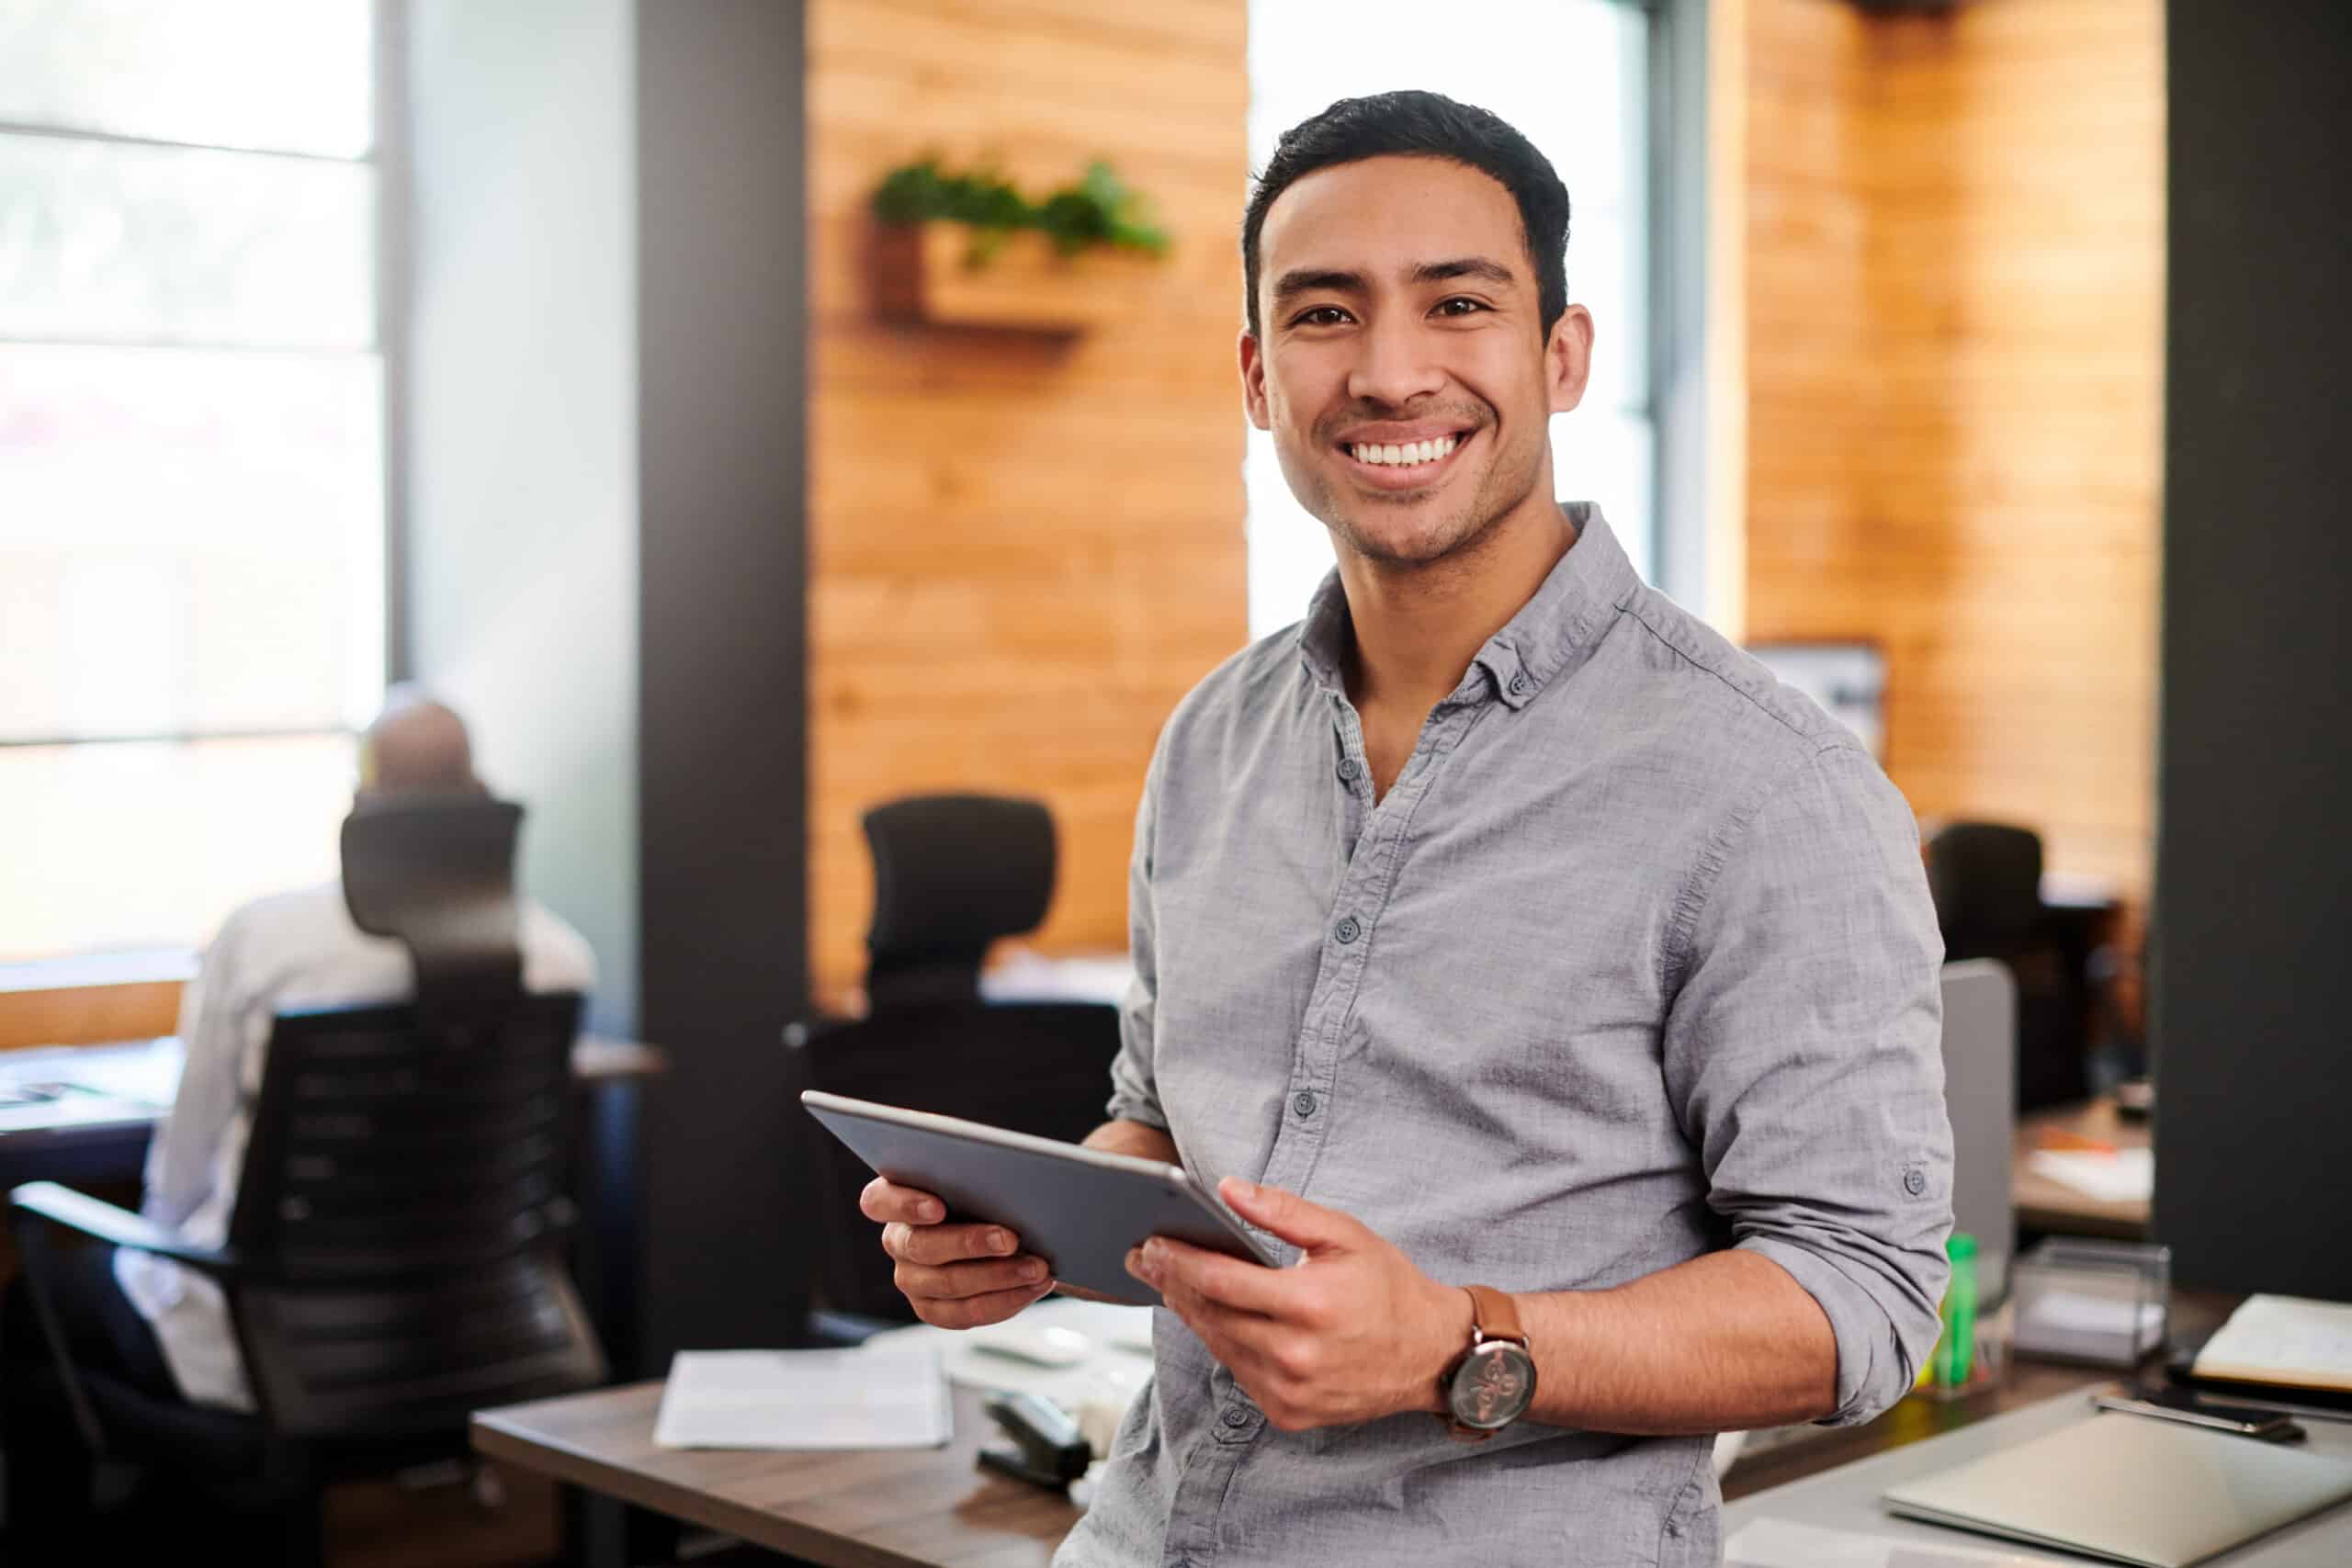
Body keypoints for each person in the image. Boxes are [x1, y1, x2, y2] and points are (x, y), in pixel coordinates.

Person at [861, 91, 1952, 1565]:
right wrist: (1020, 1231)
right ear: (1258, 376)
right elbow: (1167, 1122)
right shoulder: (1211, 740)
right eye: (1324, 313)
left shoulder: (1772, 790)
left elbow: (1867, 1296)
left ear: (1560, 356)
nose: (1388, 371)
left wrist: (1459, 1343)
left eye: (1457, 303)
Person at [18, 693, 596, 1416]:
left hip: (266, 1348)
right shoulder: (560, 956)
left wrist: (158, 1241)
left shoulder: (266, 939)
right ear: (482, 798)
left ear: (360, 801)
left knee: (38, 1299)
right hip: (471, 1338)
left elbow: (180, 1176)